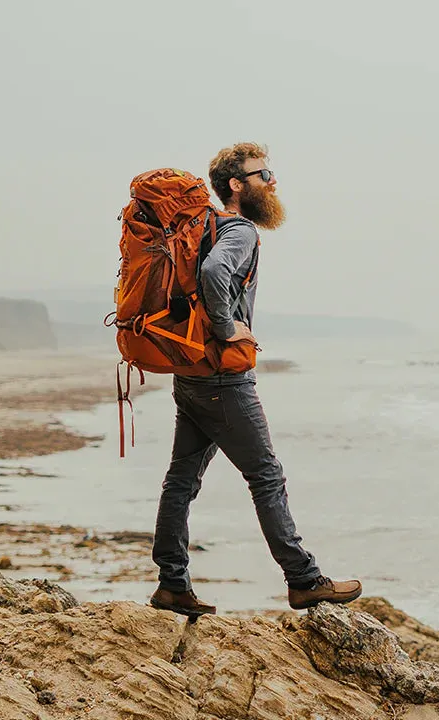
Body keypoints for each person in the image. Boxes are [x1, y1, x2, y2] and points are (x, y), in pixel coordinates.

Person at [150, 142, 362, 616]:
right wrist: (228, 328)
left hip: (191, 374)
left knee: (181, 479)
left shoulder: (204, 226)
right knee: (266, 476)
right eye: (263, 174)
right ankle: (304, 580)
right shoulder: (239, 230)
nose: (272, 182)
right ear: (236, 185)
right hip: (223, 379)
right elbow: (213, 272)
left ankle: (171, 585)